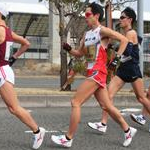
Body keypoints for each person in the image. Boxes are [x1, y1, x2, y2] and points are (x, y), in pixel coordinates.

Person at [51, 3, 137, 148]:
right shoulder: (87, 34)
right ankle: (128, 130)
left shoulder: (102, 31)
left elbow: (124, 40)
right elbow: (80, 54)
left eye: (88, 14)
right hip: (91, 72)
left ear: (96, 16)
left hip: (98, 72)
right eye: (85, 14)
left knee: (76, 102)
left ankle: (68, 138)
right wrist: (69, 49)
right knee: (107, 106)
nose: (85, 17)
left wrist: (116, 59)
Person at [88, 7, 150, 134]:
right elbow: (127, 50)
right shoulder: (126, 35)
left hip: (132, 69)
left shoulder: (131, 33)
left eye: (122, 18)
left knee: (141, 98)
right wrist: (112, 47)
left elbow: (127, 51)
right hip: (123, 69)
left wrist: (115, 58)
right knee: (108, 95)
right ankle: (103, 124)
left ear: (130, 20)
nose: (120, 20)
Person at [0, 4, 45, 149]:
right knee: (14, 108)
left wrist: (11, 59)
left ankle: (37, 131)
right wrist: (13, 58)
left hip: (1, 71)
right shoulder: (8, 31)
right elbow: (26, 43)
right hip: (5, 69)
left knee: (14, 108)